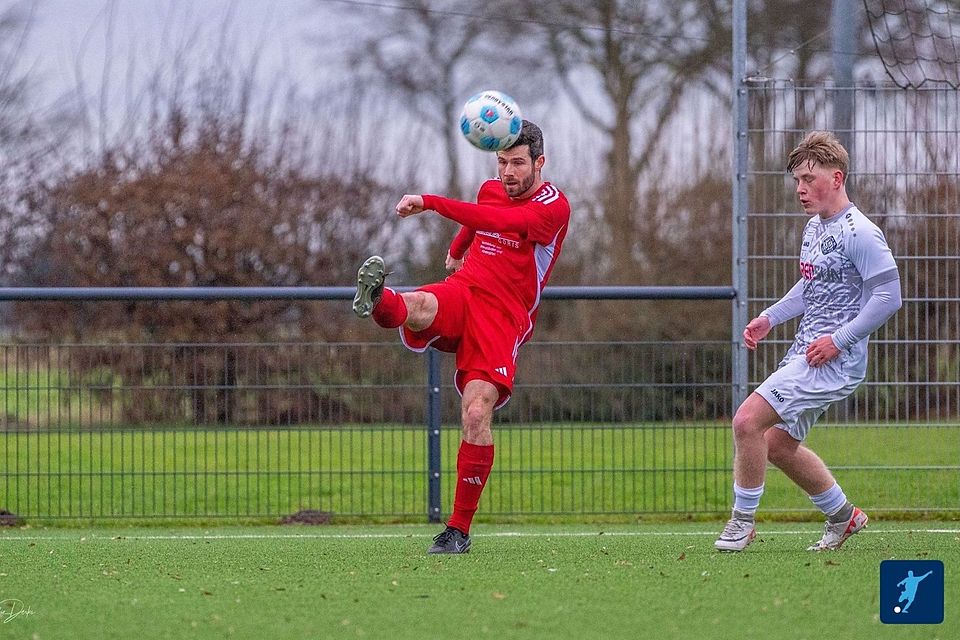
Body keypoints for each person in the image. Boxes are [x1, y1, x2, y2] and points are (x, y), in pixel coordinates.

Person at [352, 120, 570, 554]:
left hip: (503, 318)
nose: (508, 173)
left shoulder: (553, 208)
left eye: (518, 164)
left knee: (474, 415)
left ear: (540, 163)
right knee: (415, 305)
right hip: (465, 290)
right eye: (502, 162)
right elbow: (480, 215)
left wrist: (431, 202)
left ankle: (457, 531)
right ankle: (378, 301)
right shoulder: (493, 187)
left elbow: (494, 218)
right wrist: (457, 248)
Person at [715, 130, 902, 552]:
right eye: (797, 180)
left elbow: (890, 297)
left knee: (747, 421)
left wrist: (838, 340)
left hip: (834, 358)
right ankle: (843, 516)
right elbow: (811, 285)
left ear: (837, 178)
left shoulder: (862, 232)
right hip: (807, 351)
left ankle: (742, 522)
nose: (800, 189)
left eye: (808, 179)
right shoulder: (815, 227)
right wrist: (770, 317)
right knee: (777, 444)